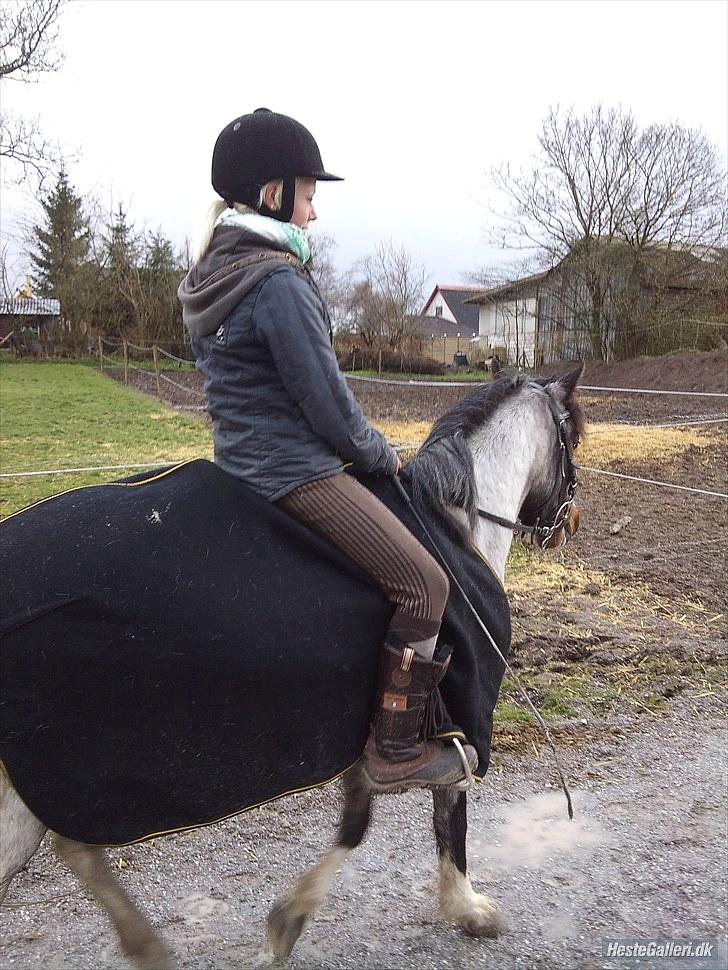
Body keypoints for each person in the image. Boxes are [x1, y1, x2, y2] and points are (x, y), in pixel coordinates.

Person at [178, 108, 476, 791]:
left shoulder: (212, 274)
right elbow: (330, 409)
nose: (314, 213)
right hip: (294, 473)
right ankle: (393, 750)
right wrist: (382, 454)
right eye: (309, 195)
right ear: (274, 194)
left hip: (238, 465)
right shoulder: (278, 281)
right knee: (424, 584)